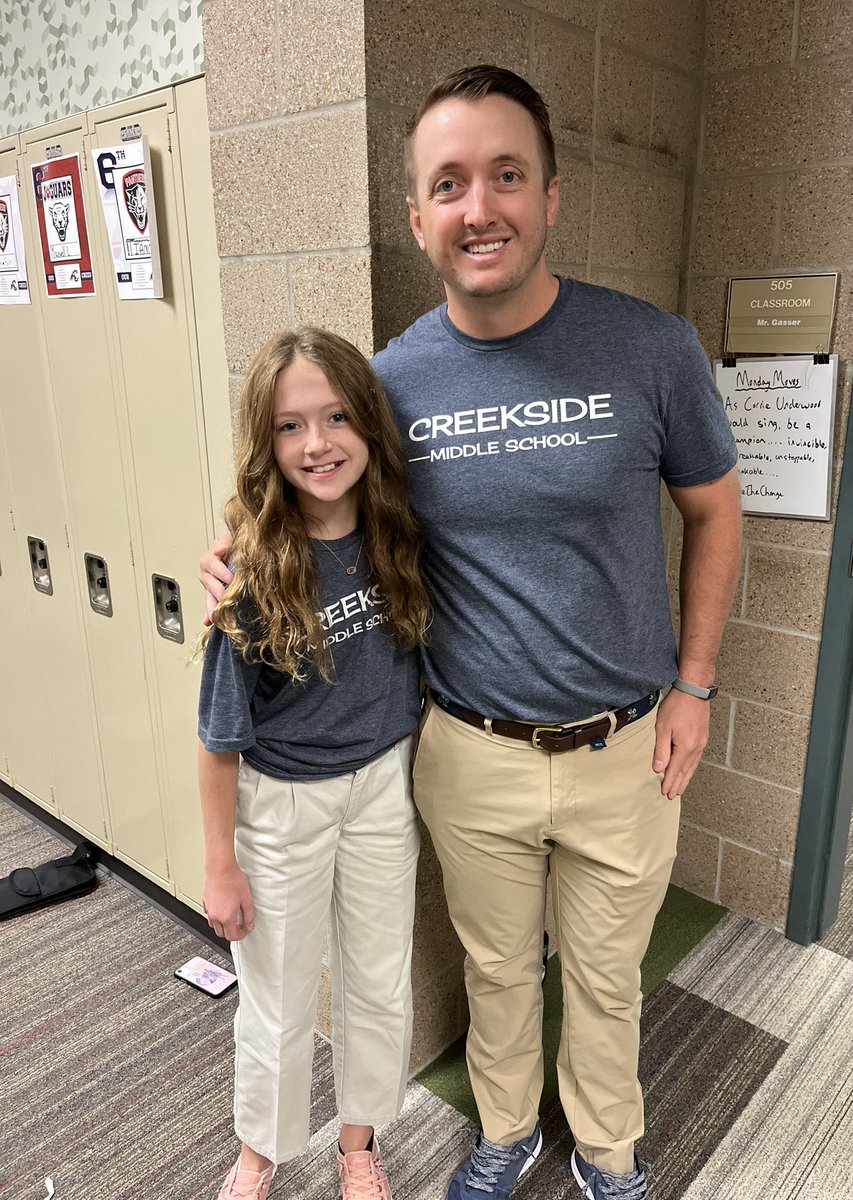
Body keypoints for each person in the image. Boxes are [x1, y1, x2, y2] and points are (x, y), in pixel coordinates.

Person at [200, 66, 742, 1200]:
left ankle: (606, 1151)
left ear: (552, 195)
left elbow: (713, 510)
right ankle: (506, 1133)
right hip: (468, 745)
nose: (478, 206)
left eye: (506, 175)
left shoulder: (652, 350)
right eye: (448, 184)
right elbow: (318, 488)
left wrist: (695, 684)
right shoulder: (390, 383)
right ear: (416, 217)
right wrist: (233, 551)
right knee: (496, 972)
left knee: (605, 976)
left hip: (628, 743)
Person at [197, 326, 431, 1200]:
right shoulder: (251, 572)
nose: (318, 444)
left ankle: (358, 1145)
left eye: (336, 418)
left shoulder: (399, 534)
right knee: (280, 994)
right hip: (281, 802)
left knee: (378, 979)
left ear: (368, 424)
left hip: (382, 789)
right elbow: (219, 737)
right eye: (291, 427)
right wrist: (221, 865)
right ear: (267, 443)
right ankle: (261, 1151)